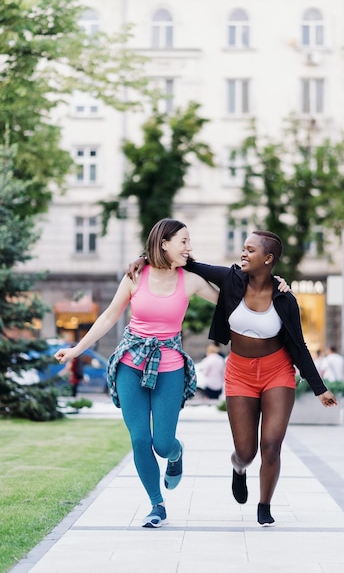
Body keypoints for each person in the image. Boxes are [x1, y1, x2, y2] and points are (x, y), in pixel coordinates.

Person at [128, 229, 337, 526]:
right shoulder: (231, 279)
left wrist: (320, 389)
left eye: (250, 250)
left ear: (268, 259)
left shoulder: (285, 299)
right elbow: (187, 263)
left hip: (277, 370)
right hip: (239, 372)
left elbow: (299, 345)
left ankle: (265, 505)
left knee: (272, 444)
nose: (243, 254)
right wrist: (143, 258)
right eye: (243, 248)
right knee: (246, 451)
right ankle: (239, 468)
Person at [54, 219, 221, 529]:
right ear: (164, 244)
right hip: (130, 365)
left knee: (162, 442)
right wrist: (76, 349)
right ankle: (157, 505)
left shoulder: (191, 280)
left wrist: (271, 285)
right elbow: (108, 317)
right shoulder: (134, 276)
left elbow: (230, 299)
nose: (189, 247)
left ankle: (176, 453)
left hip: (169, 368)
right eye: (183, 241)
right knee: (140, 438)